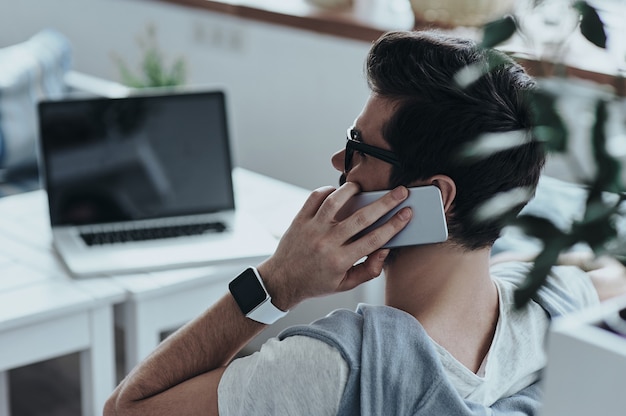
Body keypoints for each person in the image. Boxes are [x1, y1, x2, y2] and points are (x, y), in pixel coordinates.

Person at [104, 30, 626, 416]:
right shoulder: (556, 305)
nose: (338, 161)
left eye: (359, 147)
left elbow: (126, 408)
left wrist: (276, 283)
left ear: (434, 197)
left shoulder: (335, 367)